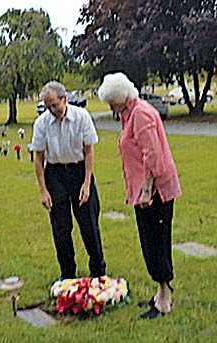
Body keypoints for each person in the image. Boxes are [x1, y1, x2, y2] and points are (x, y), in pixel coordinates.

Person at [98, 72, 181, 319]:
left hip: (155, 193)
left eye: (112, 102)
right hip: (142, 191)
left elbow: (152, 156)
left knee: (158, 242)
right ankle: (159, 292)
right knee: (149, 242)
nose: (111, 107)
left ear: (122, 97)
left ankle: (164, 299)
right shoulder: (129, 114)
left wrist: (146, 191)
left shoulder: (141, 114)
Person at [31, 81, 106, 280]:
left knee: (89, 223)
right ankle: (67, 273)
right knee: (61, 228)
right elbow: (38, 158)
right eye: (48, 106)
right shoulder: (41, 123)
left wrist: (87, 182)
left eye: (54, 105)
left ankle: (98, 272)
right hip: (55, 175)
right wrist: (43, 190)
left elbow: (89, 151)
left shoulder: (81, 117)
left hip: (79, 171)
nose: (52, 110)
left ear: (64, 99)